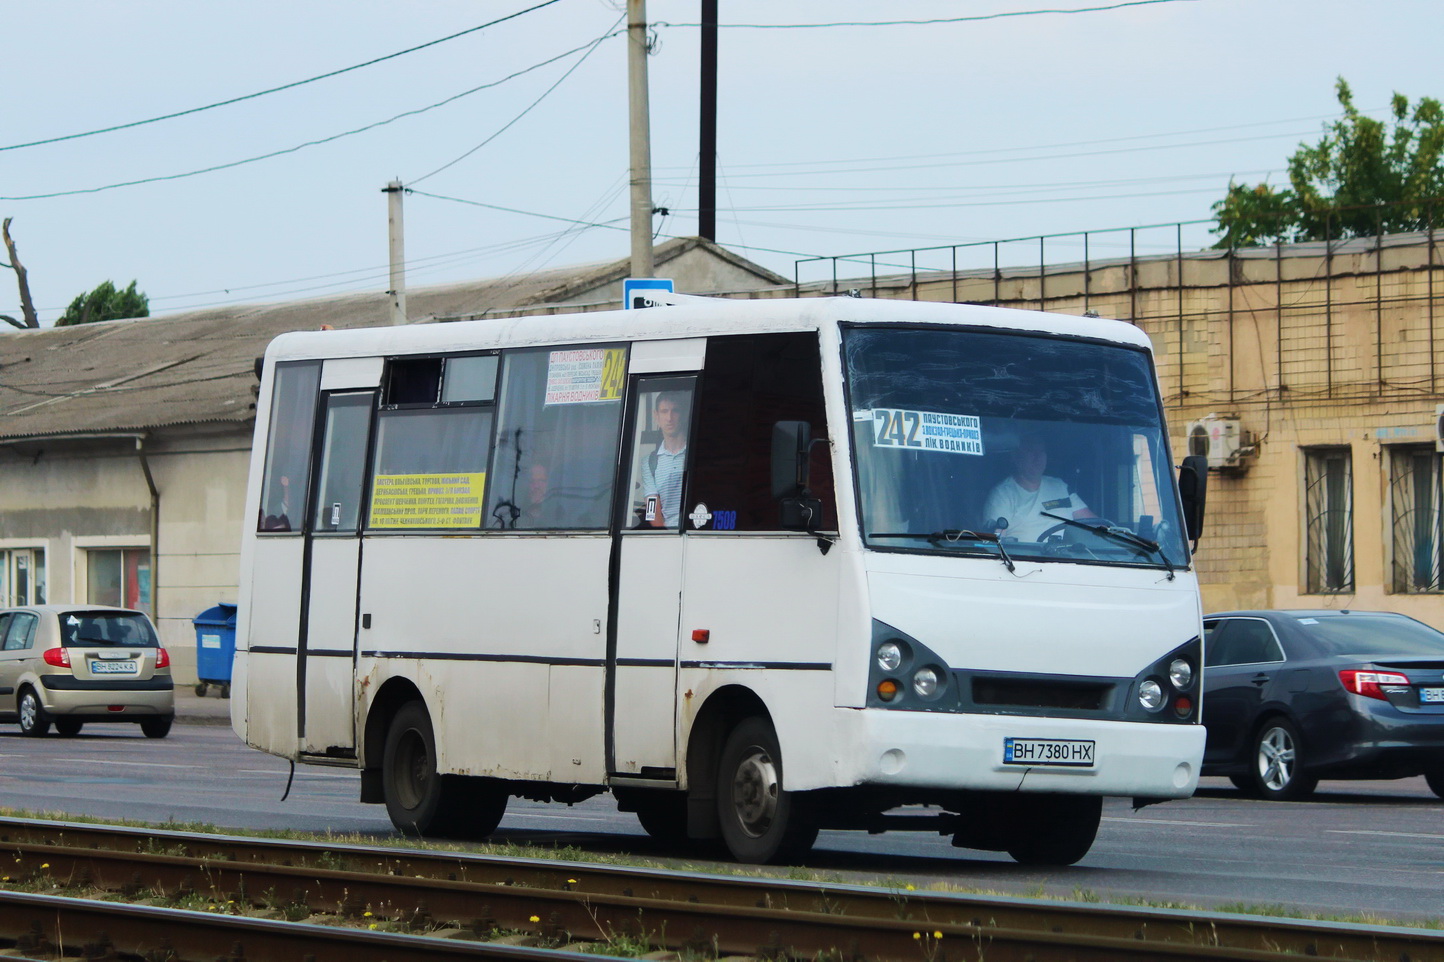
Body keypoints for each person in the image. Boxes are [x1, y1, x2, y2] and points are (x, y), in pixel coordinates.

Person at [983, 434, 1096, 541]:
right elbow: (996, 544)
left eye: (1041, 451)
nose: (1038, 457)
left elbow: (1093, 524)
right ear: (1016, 457)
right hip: (1025, 560)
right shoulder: (1002, 495)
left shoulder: (1060, 486)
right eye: (1031, 451)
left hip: (1071, 559)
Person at [639, 390, 689, 528]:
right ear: (656, 416)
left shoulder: (694, 454)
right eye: (664, 411)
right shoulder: (649, 462)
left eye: (675, 411)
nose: (669, 418)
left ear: (683, 415)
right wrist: (666, 537)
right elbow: (652, 511)